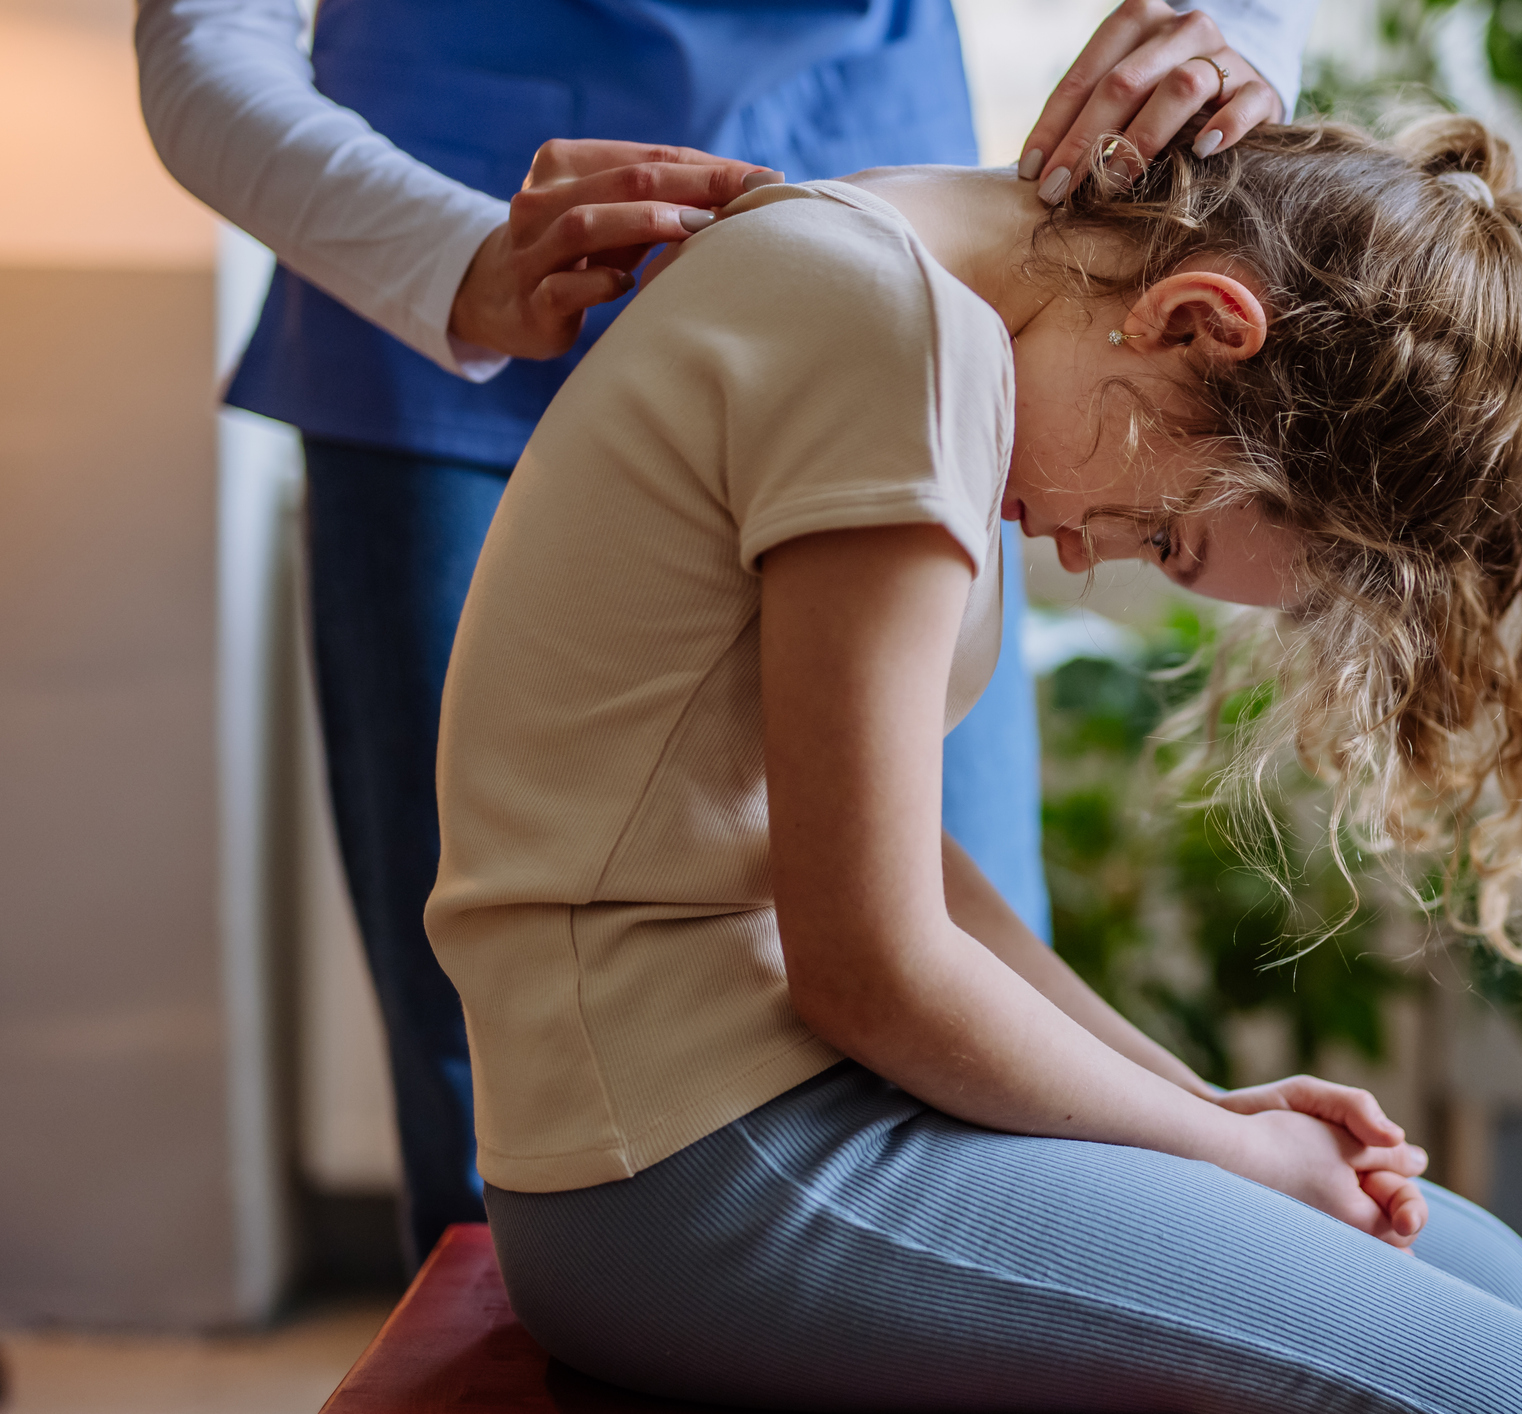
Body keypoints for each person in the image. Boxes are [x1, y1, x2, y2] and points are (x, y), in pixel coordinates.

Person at [425, 114, 1522, 1409]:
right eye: (1160, 530)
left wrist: (1210, 1106)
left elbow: (897, 869)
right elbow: (871, 970)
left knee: (1505, 1287)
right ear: (1195, 322)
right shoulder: (886, 335)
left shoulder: (911, 304)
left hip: (794, 1096)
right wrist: (1234, 1159)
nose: (1079, 552)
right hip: (688, 1164)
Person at [135, 0, 1317, 1266]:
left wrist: (1235, 35)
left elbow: (920, 945)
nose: (1087, 556)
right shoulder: (872, 319)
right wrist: (449, 256)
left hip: (936, 266)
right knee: (493, 1078)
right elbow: (200, 37)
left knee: (989, 1038)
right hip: (446, 259)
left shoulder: (948, 339)